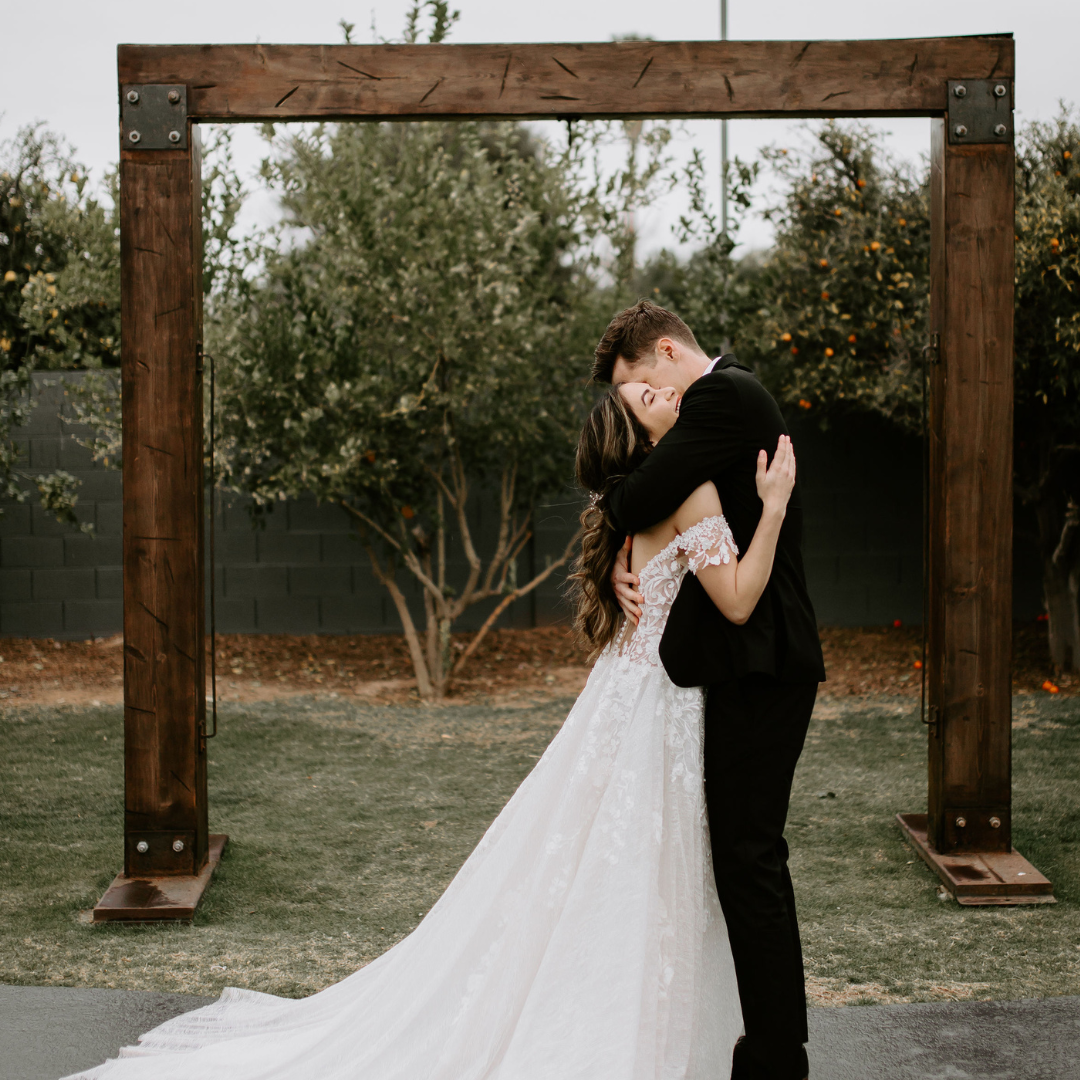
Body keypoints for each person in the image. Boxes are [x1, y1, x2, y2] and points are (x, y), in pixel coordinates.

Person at [63, 384, 798, 1080]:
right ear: (644, 437)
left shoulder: (642, 504)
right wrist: (772, 509)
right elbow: (735, 602)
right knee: (644, 877)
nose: (669, 395)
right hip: (658, 711)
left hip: (625, 699)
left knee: (605, 871)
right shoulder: (689, 490)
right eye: (650, 398)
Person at [593, 300, 826, 1080]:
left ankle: (774, 1053)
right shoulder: (721, 406)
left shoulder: (722, 396)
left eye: (640, 386)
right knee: (740, 853)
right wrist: (626, 550)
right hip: (738, 661)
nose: (649, 406)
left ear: (666, 352)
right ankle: (767, 1042)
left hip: (765, 658)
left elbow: (639, 491)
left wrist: (619, 526)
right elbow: (649, 500)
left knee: (749, 854)